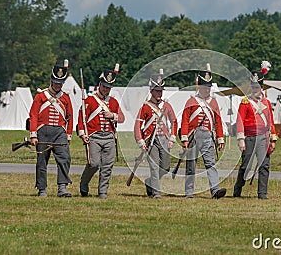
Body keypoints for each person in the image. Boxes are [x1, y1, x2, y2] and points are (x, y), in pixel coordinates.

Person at [77, 64, 125, 199]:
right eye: (104, 86)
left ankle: (102, 191)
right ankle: (84, 183)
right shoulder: (90, 100)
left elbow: (121, 118)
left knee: (107, 166)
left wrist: (113, 116)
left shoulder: (114, 102)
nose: (106, 90)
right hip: (94, 136)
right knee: (94, 163)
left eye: (109, 87)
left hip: (109, 136)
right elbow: (82, 117)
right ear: (99, 85)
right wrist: (82, 134)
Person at [180, 63, 227, 199]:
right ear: (199, 86)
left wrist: (220, 138)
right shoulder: (191, 101)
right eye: (204, 87)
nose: (207, 90)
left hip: (207, 136)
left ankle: (215, 190)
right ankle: (189, 192)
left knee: (210, 164)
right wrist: (184, 138)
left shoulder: (213, 102)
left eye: (208, 87)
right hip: (193, 136)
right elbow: (185, 120)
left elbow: (218, 121)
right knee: (191, 166)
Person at [233, 61, 278, 199]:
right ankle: (238, 187)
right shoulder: (245, 102)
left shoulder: (267, 103)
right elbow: (239, 121)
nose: (255, 88)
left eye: (257, 86)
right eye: (253, 86)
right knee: (245, 166)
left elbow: (270, 122)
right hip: (250, 137)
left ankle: (262, 193)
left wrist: (273, 138)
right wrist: (241, 140)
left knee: (264, 165)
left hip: (263, 137)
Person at [29, 60, 73, 197]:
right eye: (56, 82)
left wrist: (68, 134)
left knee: (64, 158)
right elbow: (33, 115)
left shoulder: (65, 97)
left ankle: (62, 188)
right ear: (51, 81)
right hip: (43, 131)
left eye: (60, 83)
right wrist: (33, 134)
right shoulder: (41, 96)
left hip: (60, 132)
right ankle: (42, 189)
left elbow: (69, 116)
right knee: (42, 161)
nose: (58, 85)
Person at [134, 69, 178, 198]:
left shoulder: (166, 105)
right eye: (157, 90)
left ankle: (150, 182)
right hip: (150, 140)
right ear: (151, 90)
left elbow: (174, 121)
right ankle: (156, 193)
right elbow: (137, 125)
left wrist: (172, 138)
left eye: (161, 90)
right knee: (154, 167)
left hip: (164, 139)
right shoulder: (145, 107)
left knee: (165, 167)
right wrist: (140, 141)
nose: (159, 93)